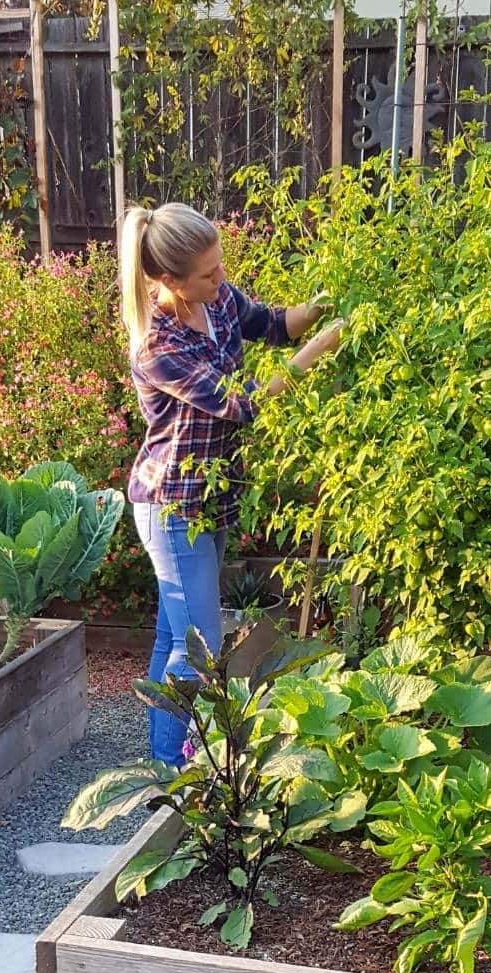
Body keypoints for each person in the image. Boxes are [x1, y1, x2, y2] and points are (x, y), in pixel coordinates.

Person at [119, 201, 343, 765]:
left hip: (215, 497)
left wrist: (323, 303)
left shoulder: (214, 299)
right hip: (173, 506)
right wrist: (313, 356)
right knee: (201, 648)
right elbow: (237, 405)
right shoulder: (158, 345)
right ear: (168, 280)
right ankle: (179, 774)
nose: (221, 280)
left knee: (177, 636)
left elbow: (273, 322)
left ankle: (163, 762)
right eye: (208, 273)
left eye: (220, 266)